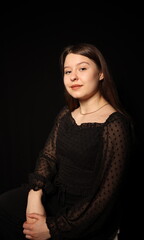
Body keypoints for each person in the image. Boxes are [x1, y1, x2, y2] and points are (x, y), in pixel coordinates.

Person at [0, 42, 133, 240]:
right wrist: (35, 194)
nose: (73, 77)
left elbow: (104, 197)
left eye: (82, 68)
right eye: (67, 71)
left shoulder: (114, 125)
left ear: (101, 73)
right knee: (4, 205)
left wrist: (53, 228)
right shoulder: (66, 114)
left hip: (85, 211)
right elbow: (48, 156)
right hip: (56, 197)